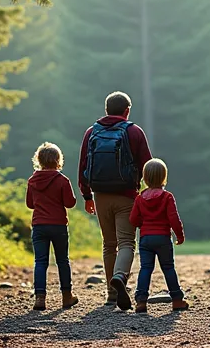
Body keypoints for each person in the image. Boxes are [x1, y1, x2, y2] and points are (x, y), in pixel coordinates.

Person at [78, 91, 152, 310]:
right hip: (127, 195)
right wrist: (148, 195)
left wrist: (86, 195)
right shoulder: (134, 131)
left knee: (109, 244)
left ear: (106, 109)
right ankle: (120, 276)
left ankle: (111, 294)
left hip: (100, 195)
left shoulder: (91, 132)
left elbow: (83, 166)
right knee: (127, 242)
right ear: (127, 110)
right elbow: (147, 165)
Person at [129, 158, 189, 313]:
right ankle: (177, 300)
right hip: (163, 238)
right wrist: (179, 236)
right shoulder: (167, 197)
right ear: (164, 177)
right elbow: (174, 219)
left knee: (145, 269)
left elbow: (133, 220)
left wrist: (143, 224)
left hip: (146, 239)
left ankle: (141, 301)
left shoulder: (140, 198)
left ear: (145, 178)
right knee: (168, 268)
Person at [26, 142, 78, 311]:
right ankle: (66, 297)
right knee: (62, 261)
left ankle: (40, 298)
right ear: (58, 160)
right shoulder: (62, 180)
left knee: (40, 262)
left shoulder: (32, 180)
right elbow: (70, 203)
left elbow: (30, 204)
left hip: (39, 225)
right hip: (58, 226)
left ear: (39, 160)